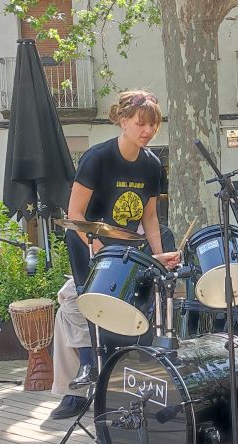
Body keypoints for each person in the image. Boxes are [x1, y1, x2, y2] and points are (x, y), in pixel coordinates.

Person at [50, 89, 180, 421]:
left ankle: (101, 384)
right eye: (141, 123)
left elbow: (149, 219)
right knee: (76, 303)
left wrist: (159, 257)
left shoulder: (152, 165)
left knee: (94, 313)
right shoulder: (97, 158)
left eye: (153, 125)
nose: (148, 131)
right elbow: (75, 214)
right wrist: (98, 251)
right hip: (87, 246)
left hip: (126, 252)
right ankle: (86, 372)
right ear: (123, 121)